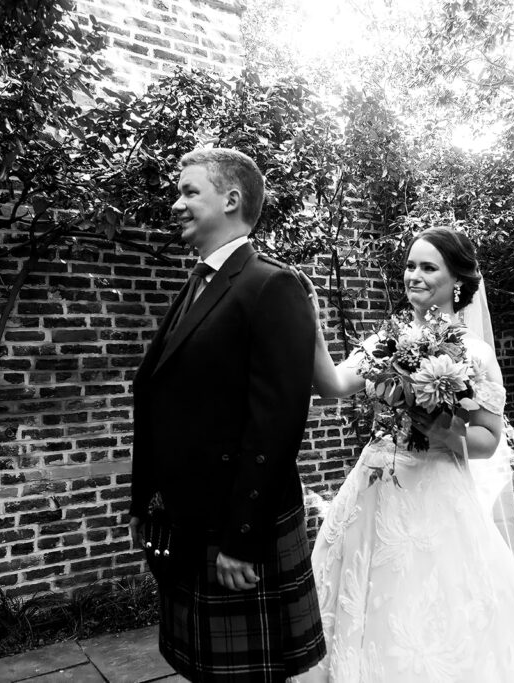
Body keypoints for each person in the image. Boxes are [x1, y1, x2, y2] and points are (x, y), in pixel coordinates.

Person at [293, 227, 514, 682]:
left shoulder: (474, 354)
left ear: (457, 280)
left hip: (435, 493)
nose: (414, 276)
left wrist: (438, 426)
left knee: (426, 612)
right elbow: (333, 385)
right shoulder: (386, 340)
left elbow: (488, 441)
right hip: (373, 485)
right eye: (410, 265)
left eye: (427, 267)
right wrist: (312, 325)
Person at [128, 147, 326, 682]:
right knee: (202, 669)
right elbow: (161, 393)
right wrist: (145, 499)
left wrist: (243, 539)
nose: (176, 204)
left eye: (190, 191)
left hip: (232, 520)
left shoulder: (271, 284)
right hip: (187, 514)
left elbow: (277, 422)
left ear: (232, 199)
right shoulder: (202, 281)